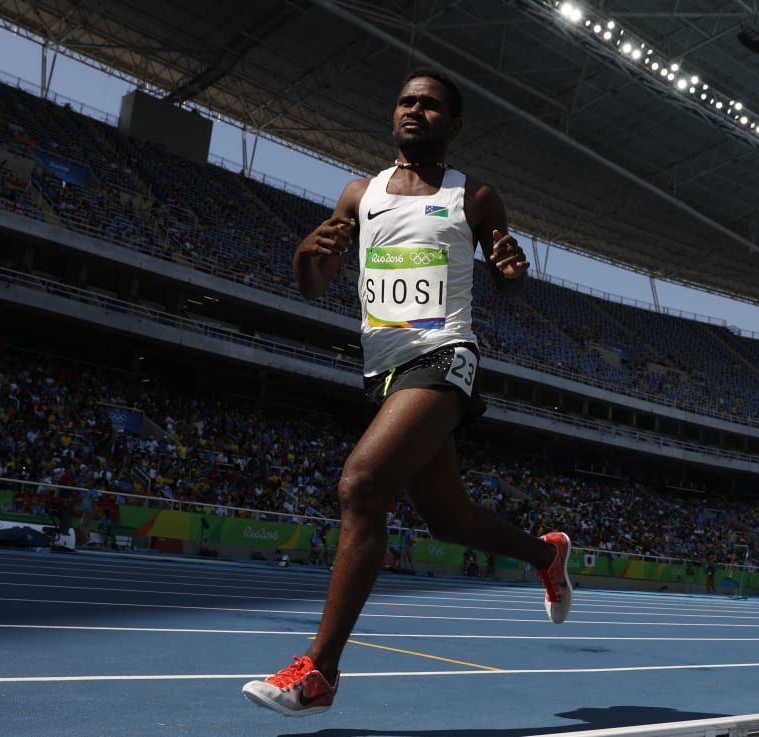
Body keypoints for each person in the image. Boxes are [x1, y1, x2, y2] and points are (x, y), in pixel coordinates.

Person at [241, 66, 572, 717]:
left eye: (429, 104)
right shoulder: (359, 194)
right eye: (405, 101)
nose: (414, 110)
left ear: (453, 124)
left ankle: (320, 672)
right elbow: (313, 282)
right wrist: (309, 252)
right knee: (449, 519)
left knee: (362, 484)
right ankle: (547, 553)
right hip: (386, 370)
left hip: (445, 356)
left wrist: (511, 269)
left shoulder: (473, 196)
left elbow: (508, 279)